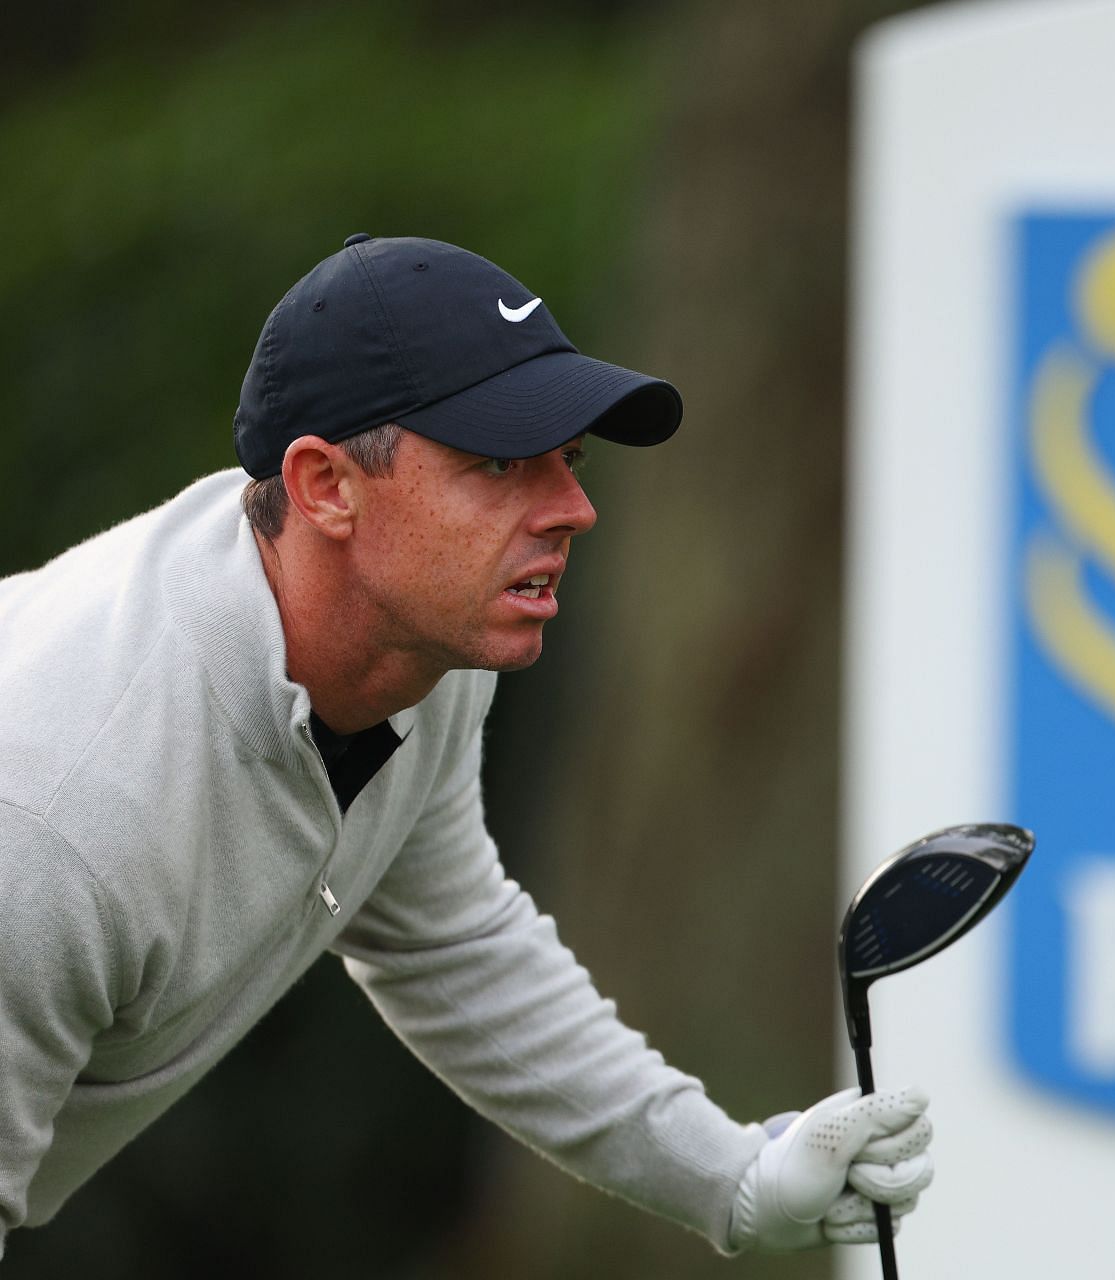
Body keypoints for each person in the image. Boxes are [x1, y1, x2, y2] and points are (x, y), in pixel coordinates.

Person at [0, 234, 933, 1258]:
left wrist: (736, 1175)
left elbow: (450, 940)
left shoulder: (426, 649)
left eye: (567, 458)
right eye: (497, 461)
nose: (574, 508)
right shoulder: (54, 814)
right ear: (324, 486)